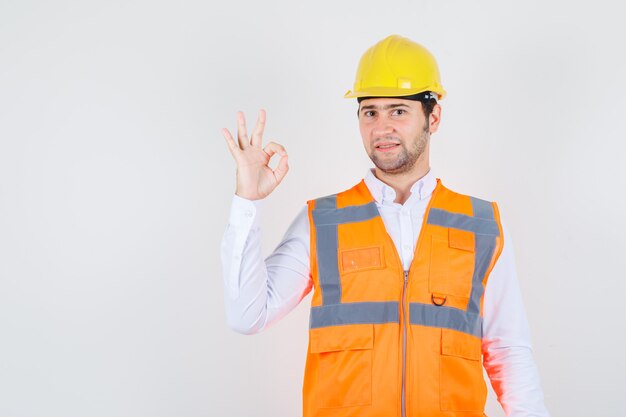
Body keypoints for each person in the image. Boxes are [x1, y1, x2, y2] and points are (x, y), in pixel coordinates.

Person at [221, 34, 550, 417]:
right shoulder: (322, 222)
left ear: (434, 117)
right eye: (370, 112)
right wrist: (247, 200)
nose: (381, 128)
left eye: (398, 111)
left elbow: (508, 350)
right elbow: (247, 315)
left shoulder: (481, 225)